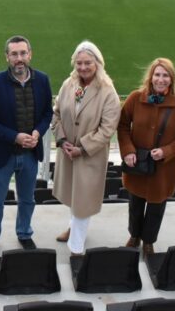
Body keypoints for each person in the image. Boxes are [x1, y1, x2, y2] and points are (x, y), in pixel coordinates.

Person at [0, 35, 53, 261]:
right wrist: (15, 137)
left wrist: (37, 133)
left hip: (30, 154)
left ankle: (24, 233)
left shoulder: (42, 80)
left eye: (23, 53)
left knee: (27, 198)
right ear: (7, 57)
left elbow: (47, 113)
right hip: (3, 155)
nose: (19, 58)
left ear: (30, 54)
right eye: (14, 54)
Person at [118, 58, 175, 257]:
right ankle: (134, 236)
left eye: (165, 75)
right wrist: (128, 151)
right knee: (135, 203)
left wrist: (166, 151)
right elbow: (123, 126)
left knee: (156, 207)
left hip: (164, 169)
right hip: (137, 164)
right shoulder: (135, 98)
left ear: (171, 79)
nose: (160, 79)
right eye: (157, 75)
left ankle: (149, 241)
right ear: (150, 78)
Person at [52, 41, 121, 256]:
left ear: (97, 63)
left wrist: (81, 148)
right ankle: (73, 227)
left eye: (88, 63)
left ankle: (76, 247)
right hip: (67, 152)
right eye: (79, 63)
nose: (83, 67)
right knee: (74, 196)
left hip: (89, 156)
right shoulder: (68, 85)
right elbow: (55, 114)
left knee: (83, 200)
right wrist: (62, 141)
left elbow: (107, 129)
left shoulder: (108, 92)